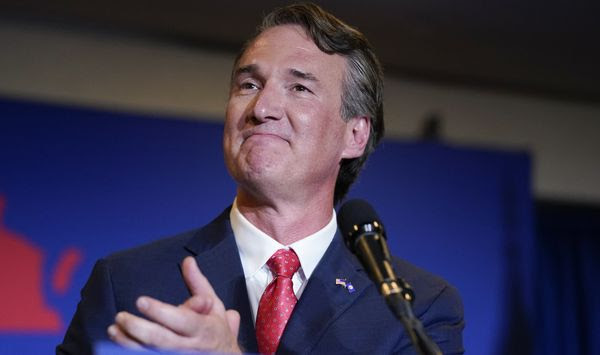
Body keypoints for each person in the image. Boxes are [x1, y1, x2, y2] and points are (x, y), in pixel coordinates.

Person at [57, 3, 464, 354]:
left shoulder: (417, 309)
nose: (262, 107)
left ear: (355, 134)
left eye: (299, 88)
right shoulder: (129, 282)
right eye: (248, 84)